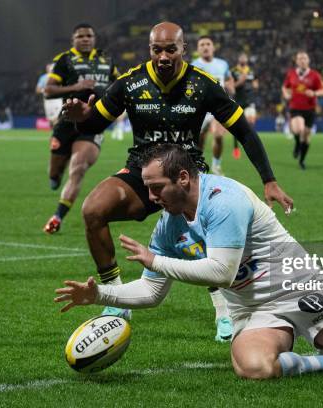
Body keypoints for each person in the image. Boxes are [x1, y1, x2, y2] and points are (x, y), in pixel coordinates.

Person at [54, 143, 323, 379]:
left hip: (300, 287)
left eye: (156, 188)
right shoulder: (169, 225)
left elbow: (221, 271)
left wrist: (157, 262)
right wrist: (100, 295)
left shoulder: (224, 199)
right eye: (147, 189)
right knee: (254, 369)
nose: (150, 197)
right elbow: (152, 292)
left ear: (184, 178)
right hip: (253, 310)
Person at [61, 22, 293, 341]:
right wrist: (79, 120)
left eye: (171, 49)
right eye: (157, 50)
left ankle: (223, 310)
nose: (164, 56)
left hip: (187, 177)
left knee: (199, 239)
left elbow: (244, 131)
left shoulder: (204, 85)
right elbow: (93, 124)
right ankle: (116, 299)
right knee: (93, 210)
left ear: (184, 49)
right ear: (150, 50)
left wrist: (269, 180)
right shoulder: (130, 83)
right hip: (142, 173)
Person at [42, 23, 120, 234]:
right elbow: (47, 90)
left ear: (94, 38)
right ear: (73, 40)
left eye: (89, 35)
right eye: (80, 36)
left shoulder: (107, 60)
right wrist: (76, 87)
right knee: (55, 173)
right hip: (67, 121)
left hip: (94, 122)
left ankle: (57, 216)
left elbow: (120, 84)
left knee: (78, 168)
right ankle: (54, 176)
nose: (85, 39)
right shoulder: (64, 60)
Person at [192, 36, 235, 175]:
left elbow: (228, 78)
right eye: (202, 45)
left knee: (218, 135)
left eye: (208, 44)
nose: (205, 47)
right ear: (198, 49)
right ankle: (199, 165)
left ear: (213, 47)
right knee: (200, 139)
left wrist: (231, 87)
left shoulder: (222, 64)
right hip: (200, 109)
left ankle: (216, 165)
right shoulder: (193, 65)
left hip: (218, 107)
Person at [282, 52, 323, 170]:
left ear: (308, 60)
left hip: (310, 109)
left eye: (305, 58)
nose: (302, 60)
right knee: (298, 129)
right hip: (295, 107)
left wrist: (314, 93)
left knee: (306, 136)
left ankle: (302, 160)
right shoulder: (291, 74)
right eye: (300, 58)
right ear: (296, 61)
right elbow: (284, 87)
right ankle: (297, 143)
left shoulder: (315, 75)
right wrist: (286, 94)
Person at [230, 52, 259, 159]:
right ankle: (236, 148)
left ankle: (251, 146)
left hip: (249, 101)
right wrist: (241, 81)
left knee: (251, 122)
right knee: (236, 125)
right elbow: (232, 86)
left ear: (246, 59)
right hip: (238, 100)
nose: (243, 59)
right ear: (239, 59)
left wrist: (255, 85)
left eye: (244, 57)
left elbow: (256, 84)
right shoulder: (233, 71)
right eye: (241, 57)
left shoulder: (251, 71)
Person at [36, 63, 63, 128]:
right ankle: (54, 131)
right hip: (48, 100)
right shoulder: (43, 77)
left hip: (57, 99)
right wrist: (44, 90)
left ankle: (57, 133)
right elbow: (37, 89)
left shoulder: (59, 77)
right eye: (48, 68)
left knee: (57, 117)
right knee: (50, 120)